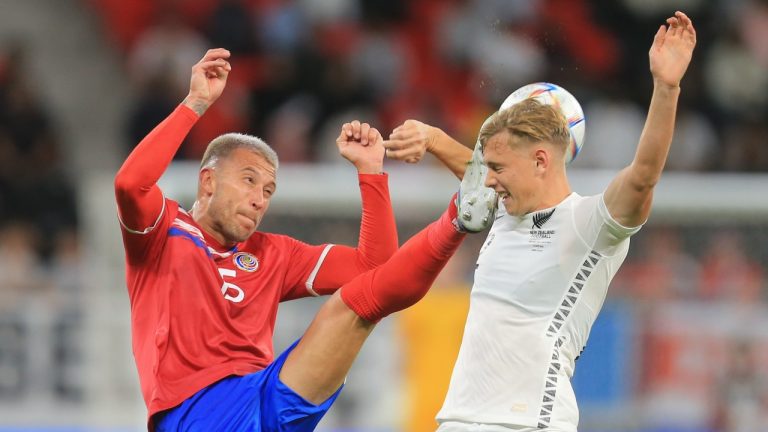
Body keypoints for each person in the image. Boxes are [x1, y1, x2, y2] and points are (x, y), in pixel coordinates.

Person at [114, 48, 479, 431]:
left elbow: (377, 270)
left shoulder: (273, 253)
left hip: (271, 398)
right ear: (208, 180)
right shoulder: (164, 231)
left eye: (269, 190)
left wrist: (372, 173)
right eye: (249, 180)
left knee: (357, 303)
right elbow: (130, 183)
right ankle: (458, 217)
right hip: (199, 414)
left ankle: (461, 215)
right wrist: (195, 103)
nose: (259, 199)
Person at [384, 12, 697, 431]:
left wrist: (666, 87)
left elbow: (642, 177)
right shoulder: (505, 209)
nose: (485, 180)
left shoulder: (589, 225)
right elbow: (480, 171)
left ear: (541, 161)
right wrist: (433, 137)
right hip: (457, 419)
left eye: (496, 167)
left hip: (529, 422)